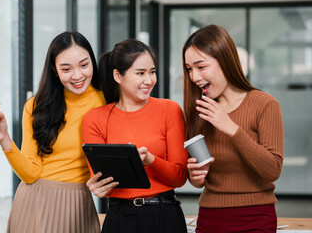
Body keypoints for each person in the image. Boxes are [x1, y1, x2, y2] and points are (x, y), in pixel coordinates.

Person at [0, 31, 105, 233]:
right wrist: (4, 140)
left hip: (80, 202)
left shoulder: (105, 102)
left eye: (84, 65)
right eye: (66, 69)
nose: (78, 75)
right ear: (54, 69)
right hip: (35, 201)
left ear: (92, 62)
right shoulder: (36, 106)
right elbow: (30, 173)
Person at [182, 24, 284, 233]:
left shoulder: (265, 104)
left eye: (201, 67)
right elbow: (199, 181)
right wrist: (195, 177)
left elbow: (272, 170)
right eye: (189, 69)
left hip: (256, 219)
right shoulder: (200, 109)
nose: (194, 77)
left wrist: (231, 128)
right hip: (209, 217)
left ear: (225, 61)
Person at [82, 39, 189, 233]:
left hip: (164, 216)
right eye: (140, 73)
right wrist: (98, 188)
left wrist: (150, 160)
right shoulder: (95, 119)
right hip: (120, 219)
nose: (149, 80)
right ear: (117, 76)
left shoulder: (170, 110)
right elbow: (101, 181)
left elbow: (180, 177)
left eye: (152, 72)